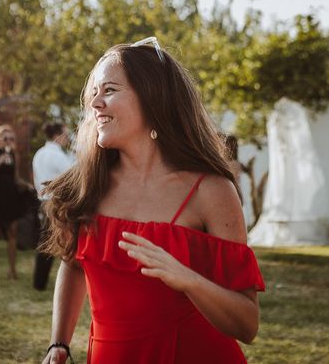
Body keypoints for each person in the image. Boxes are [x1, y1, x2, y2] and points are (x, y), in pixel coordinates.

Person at [40, 39, 265, 364]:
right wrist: (57, 343)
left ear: (152, 98)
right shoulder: (88, 185)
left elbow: (247, 324)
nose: (95, 104)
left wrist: (188, 279)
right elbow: (74, 264)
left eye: (110, 91)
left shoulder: (211, 191)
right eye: (94, 94)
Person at [0, 124, 32, 280]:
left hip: (10, 197)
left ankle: (12, 271)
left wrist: (27, 185)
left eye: (11, 138)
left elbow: (15, 177)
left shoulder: (15, 156)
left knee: (12, 233)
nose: (8, 141)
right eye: (5, 138)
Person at [31, 122, 74, 290]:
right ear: (57, 134)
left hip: (43, 200)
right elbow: (72, 175)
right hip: (56, 203)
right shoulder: (56, 155)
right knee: (62, 242)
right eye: (65, 134)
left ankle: (39, 282)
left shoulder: (39, 153)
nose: (67, 138)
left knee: (46, 241)